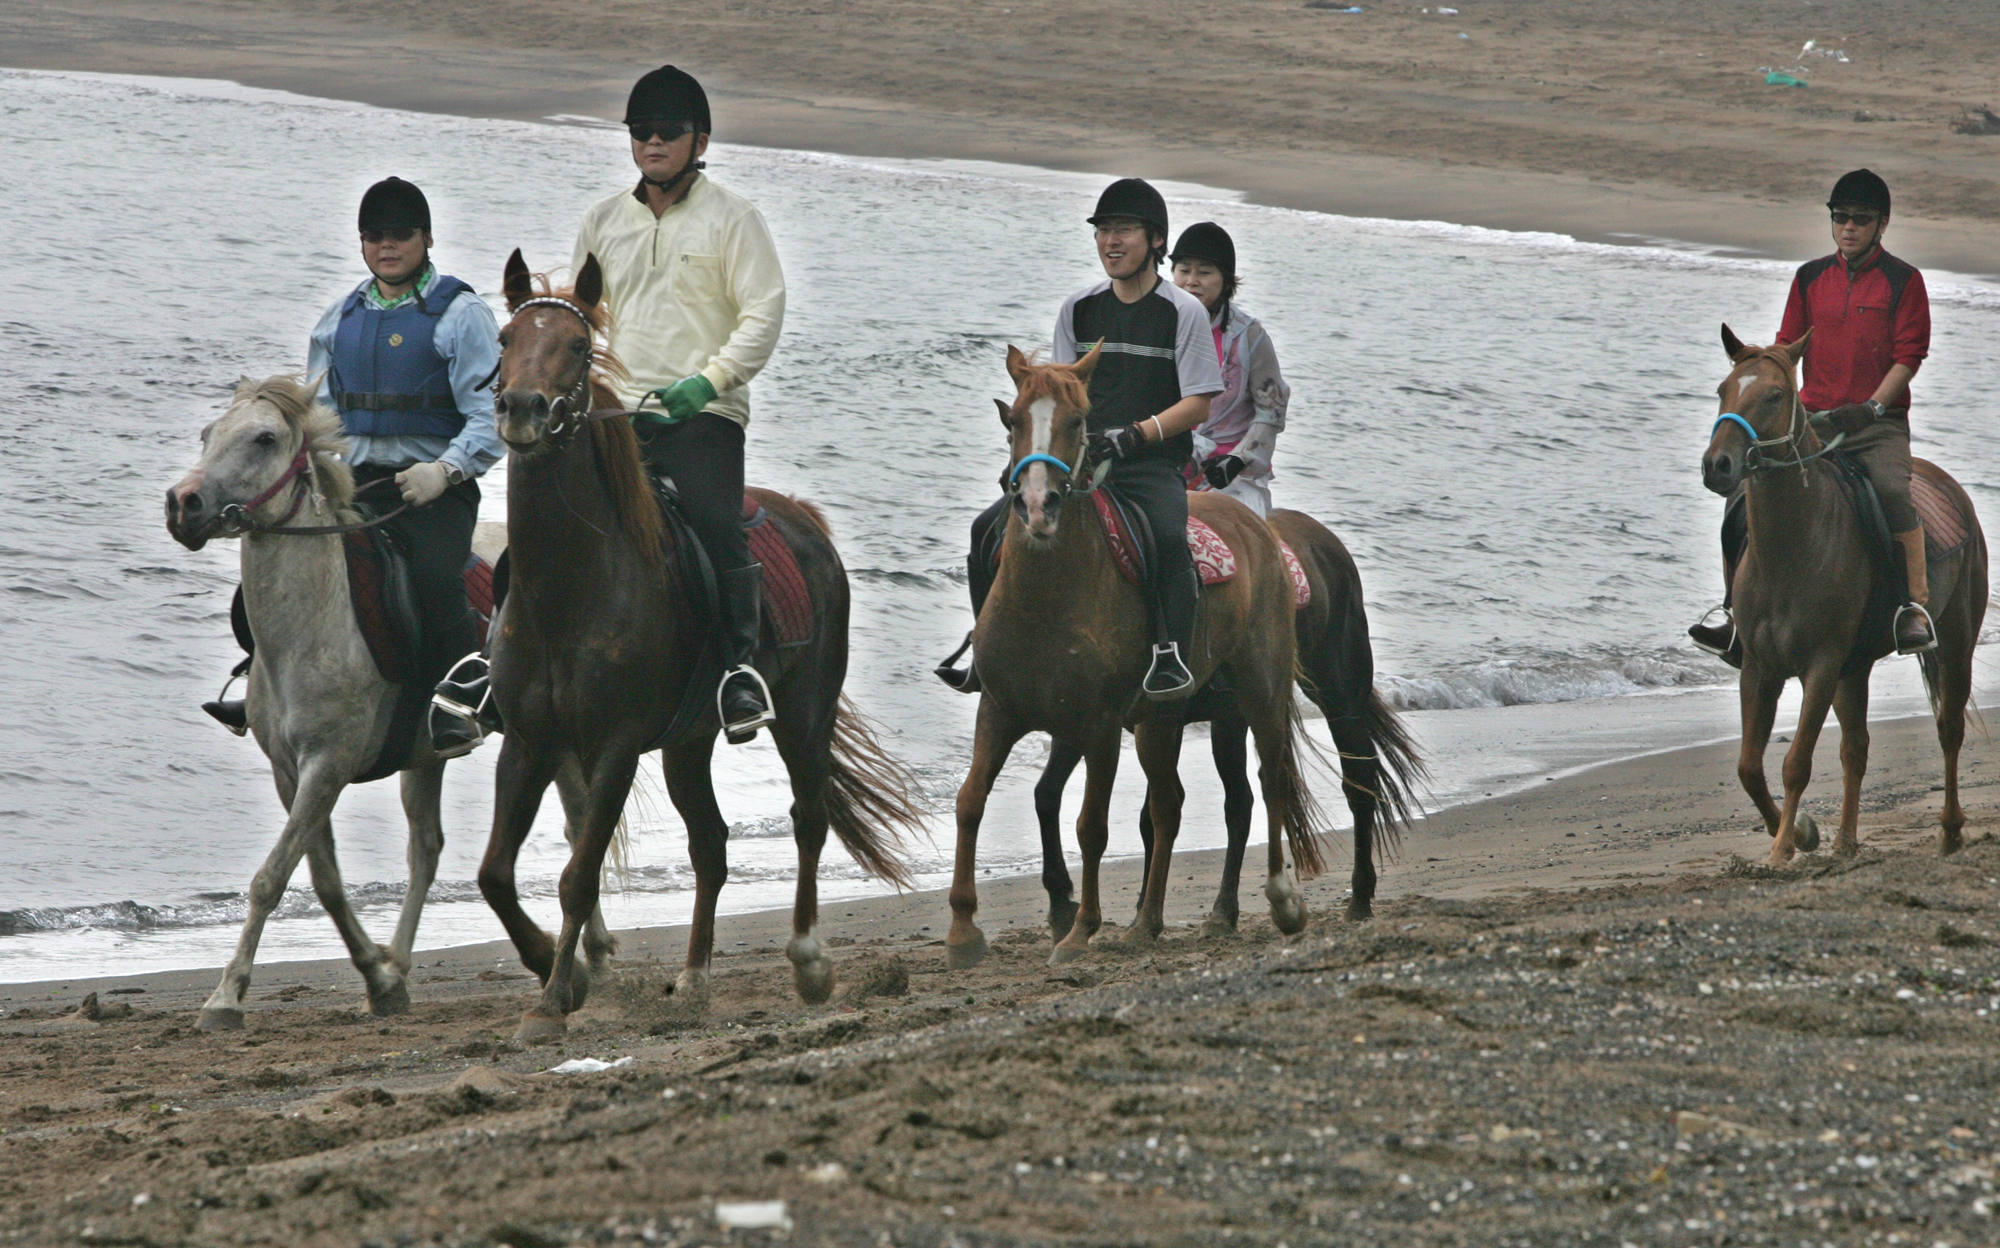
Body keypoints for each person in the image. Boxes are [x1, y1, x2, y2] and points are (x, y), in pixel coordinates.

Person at [204, 177, 502, 759]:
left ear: (427, 238)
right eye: (374, 235)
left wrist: (445, 471)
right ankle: (263, 686)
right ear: (362, 243)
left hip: (436, 491)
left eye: (400, 234)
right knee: (263, 586)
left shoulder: (464, 316)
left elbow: (488, 419)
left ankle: (457, 705)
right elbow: (317, 419)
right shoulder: (337, 319)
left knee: (437, 581)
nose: (386, 246)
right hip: (355, 484)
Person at [936, 177, 1223, 699]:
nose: (1111, 242)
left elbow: (1199, 401)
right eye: (1103, 231)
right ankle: (986, 648)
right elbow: (1061, 391)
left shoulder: (1183, 312)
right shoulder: (1078, 308)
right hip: (1081, 461)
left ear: (1156, 241)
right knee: (984, 531)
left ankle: (1169, 654)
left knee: (1165, 537)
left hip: (1150, 465)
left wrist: (1139, 434)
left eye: (1125, 231)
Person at [1688, 168, 1934, 660]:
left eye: (1860, 220)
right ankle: (1734, 614)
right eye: (1840, 218)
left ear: (1881, 224)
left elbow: (1909, 355)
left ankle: (1912, 607)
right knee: (1742, 492)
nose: (1848, 228)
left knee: (1889, 490)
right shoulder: (1809, 278)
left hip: (1876, 424)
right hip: (1812, 420)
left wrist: (1872, 408)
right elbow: (1785, 352)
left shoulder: (1904, 281)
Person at [1167, 221, 1290, 519]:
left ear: (1225, 280)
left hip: (1231, 478)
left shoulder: (1250, 337)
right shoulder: (1155, 326)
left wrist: (1238, 460)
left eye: (1204, 272)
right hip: (1166, 467)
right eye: (1184, 270)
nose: (1191, 281)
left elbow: (1271, 411)